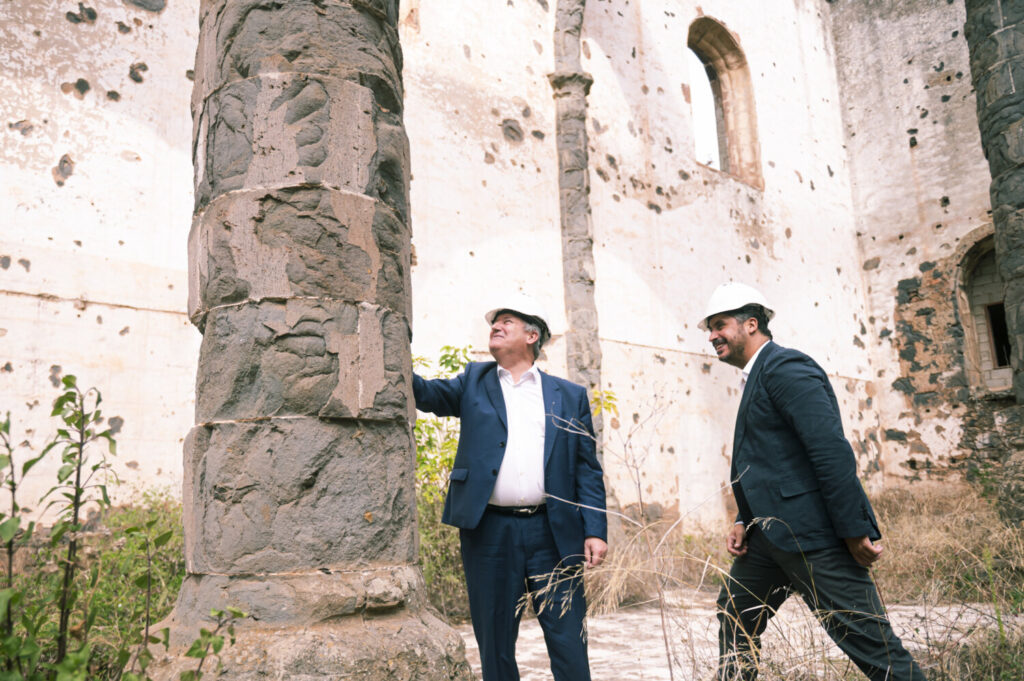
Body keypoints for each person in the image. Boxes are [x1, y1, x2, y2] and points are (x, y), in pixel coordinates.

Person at [702, 282, 927, 681]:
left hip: (812, 535)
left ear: (751, 324)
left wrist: (853, 529)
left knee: (869, 642)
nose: (712, 335)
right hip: (766, 539)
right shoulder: (755, 377)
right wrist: (744, 518)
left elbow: (828, 451)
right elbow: (773, 462)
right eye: (710, 328)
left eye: (720, 325)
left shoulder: (786, 367)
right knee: (735, 617)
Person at [413, 294, 608, 681]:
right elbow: (427, 394)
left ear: (532, 334)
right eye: (493, 323)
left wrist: (595, 530)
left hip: (552, 532)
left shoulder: (569, 396)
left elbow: (587, 468)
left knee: (569, 640)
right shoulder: (473, 381)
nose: (495, 327)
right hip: (489, 532)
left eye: (507, 321)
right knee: (495, 643)